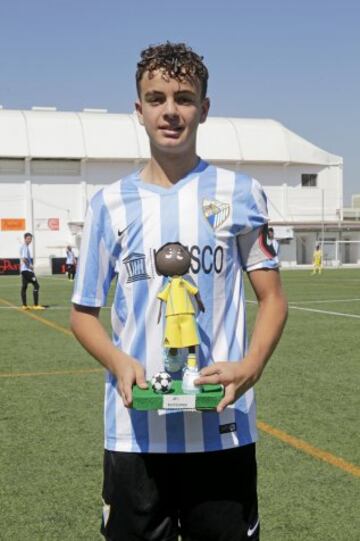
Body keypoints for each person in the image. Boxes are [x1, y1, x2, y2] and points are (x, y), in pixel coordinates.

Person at [70, 41, 288, 541]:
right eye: (156, 97)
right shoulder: (109, 205)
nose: (171, 110)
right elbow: (83, 313)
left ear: (204, 108)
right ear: (139, 110)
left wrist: (250, 366)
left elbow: (273, 298)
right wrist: (120, 363)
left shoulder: (241, 193)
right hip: (135, 436)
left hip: (223, 429)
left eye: (184, 97)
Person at [20, 232, 45, 310]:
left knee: (24, 287)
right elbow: (24, 259)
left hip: (24, 270)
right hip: (27, 270)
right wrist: (29, 266)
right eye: (28, 239)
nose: (29, 240)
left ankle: (24, 305)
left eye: (30, 239)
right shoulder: (24, 247)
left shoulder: (25, 247)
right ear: (25, 239)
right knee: (36, 285)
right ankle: (36, 305)